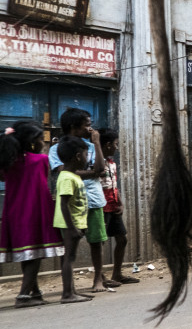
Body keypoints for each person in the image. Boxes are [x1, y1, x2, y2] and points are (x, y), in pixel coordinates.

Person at [0, 121, 65, 307]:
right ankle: (22, 296)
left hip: (13, 212)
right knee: (34, 255)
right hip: (34, 210)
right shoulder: (40, 161)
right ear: (31, 142)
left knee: (27, 253)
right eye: (39, 139)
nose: (43, 143)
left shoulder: (8, 163)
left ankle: (34, 291)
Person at [48, 108, 111, 293]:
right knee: (69, 248)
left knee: (97, 241)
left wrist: (97, 144)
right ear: (74, 127)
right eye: (87, 125)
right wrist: (93, 173)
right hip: (72, 203)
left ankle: (98, 280)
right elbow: (64, 172)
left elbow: (102, 169)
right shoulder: (56, 148)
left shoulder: (90, 146)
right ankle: (69, 287)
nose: (90, 129)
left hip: (93, 199)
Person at [53, 135, 93, 304]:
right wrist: (72, 228)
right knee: (69, 258)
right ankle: (67, 294)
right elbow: (63, 204)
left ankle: (72, 291)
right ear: (78, 156)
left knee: (70, 258)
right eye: (85, 154)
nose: (87, 158)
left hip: (75, 223)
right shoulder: (67, 178)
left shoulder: (72, 175)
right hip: (71, 224)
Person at [99, 128, 136, 284]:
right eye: (115, 144)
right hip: (102, 205)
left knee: (122, 239)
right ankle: (100, 277)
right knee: (100, 242)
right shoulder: (97, 162)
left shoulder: (112, 163)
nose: (116, 147)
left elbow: (113, 185)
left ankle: (117, 274)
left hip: (113, 205)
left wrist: (119, 202)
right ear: (107, 145)